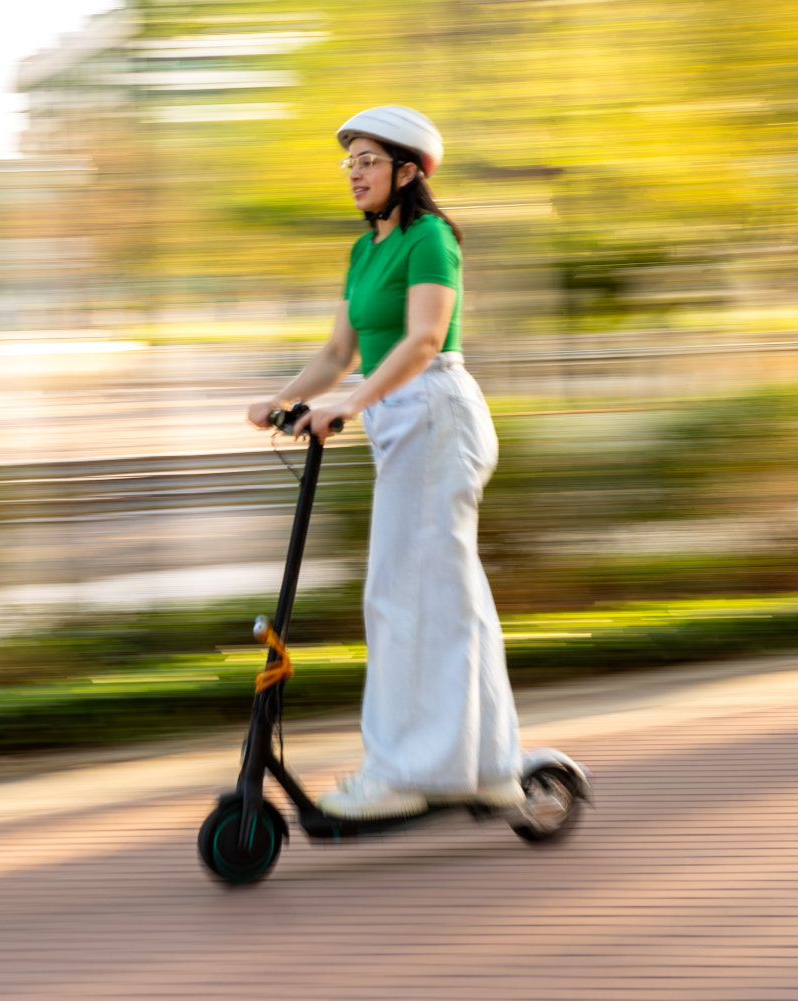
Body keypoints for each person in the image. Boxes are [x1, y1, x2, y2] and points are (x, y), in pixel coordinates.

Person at [246, 105, 523, 819]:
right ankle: (487, 763)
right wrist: (283, 398)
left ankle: (404, 773)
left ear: (407, 170)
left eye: (366, 159)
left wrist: (352, 405)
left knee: (406, 596)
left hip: (435, 411)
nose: (353, 172)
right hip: (403, 416)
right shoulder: (364, 248)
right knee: (443, 596)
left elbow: (425, 339)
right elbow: (340, 352)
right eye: (349, 161)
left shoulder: (431, 238)